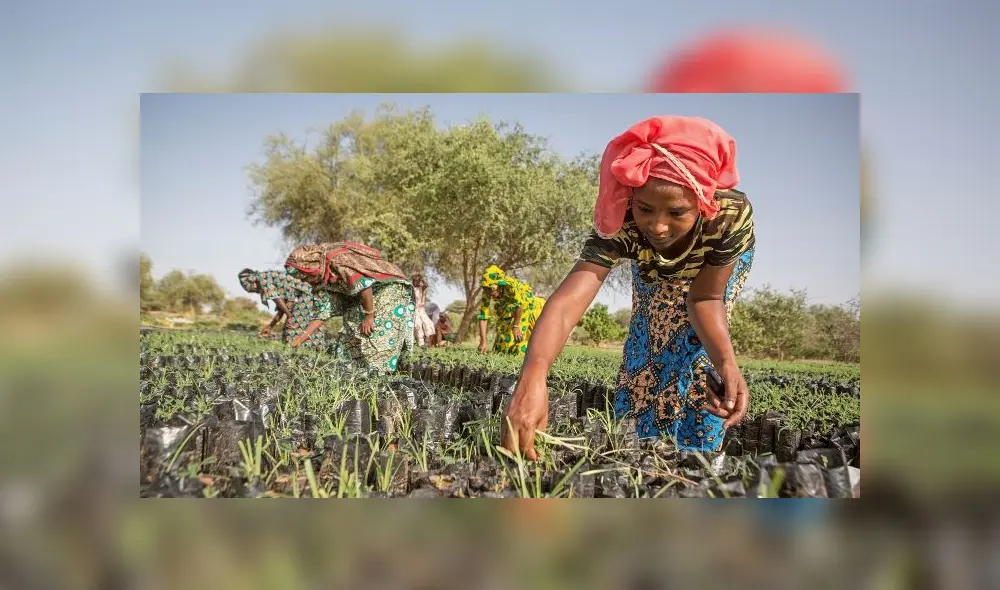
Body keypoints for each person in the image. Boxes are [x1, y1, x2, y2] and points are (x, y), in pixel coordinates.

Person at [501, 115, 755, 460]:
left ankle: (695, 460)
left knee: (696, 357)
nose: (658, 226)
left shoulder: (728, 216)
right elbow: (567, 303)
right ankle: (639, 453)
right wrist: (533, 376)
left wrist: (726, 361)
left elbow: (705, 298)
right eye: (645, 208)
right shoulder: (621, 219)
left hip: (710, 272)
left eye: (677, 212)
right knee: (648, 343)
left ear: (702, 203)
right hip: (654, 269)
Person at [283, 242, 416, 373]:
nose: (305, 281)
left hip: (388, 287)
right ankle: (356, 373)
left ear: (310, 267)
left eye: (305, 277)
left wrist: (369, 315)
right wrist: (299, 340)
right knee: (350, 334)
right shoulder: (320, 281)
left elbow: (364, 283)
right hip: (363, 296)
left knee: (375, 333)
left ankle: (380, 375)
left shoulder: (337, 261)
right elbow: (322, 313)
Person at [237, 268, 326, 350]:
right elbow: (281, 309)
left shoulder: (262, 278)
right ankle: (312, 349)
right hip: (312, 293)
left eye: (252, 290)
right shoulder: (274, 281)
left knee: (292, 329)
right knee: (309, 324)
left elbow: (277, 299)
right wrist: (270, 327)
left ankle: (297, 350)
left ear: (252, 283)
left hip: (306, 294)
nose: (255, 292)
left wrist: (290, 316)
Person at [477, 265, 545, 355]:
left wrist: (516, 327)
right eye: (487, 289)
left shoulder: (511, 286)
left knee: (518, 342)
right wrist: (483, 342)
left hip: (526, 306)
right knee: (501, 349)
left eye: (491, 289)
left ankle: (529, 354)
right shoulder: (487, 291)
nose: (489, 293)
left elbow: (519, 305)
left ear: (500, 285)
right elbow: (483, 317)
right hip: (509, 309)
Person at [410, 273, 436, 347]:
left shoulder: (422, 288)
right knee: (417, 325)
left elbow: (426, 285)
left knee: (428, 324)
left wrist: (421, 279)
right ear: (413, 281)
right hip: (413, 309)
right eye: (415, 281)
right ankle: (420, 343)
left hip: (421, 309)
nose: (417, 282)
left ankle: (427, 342)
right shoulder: (411, 288)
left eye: (418, 281)